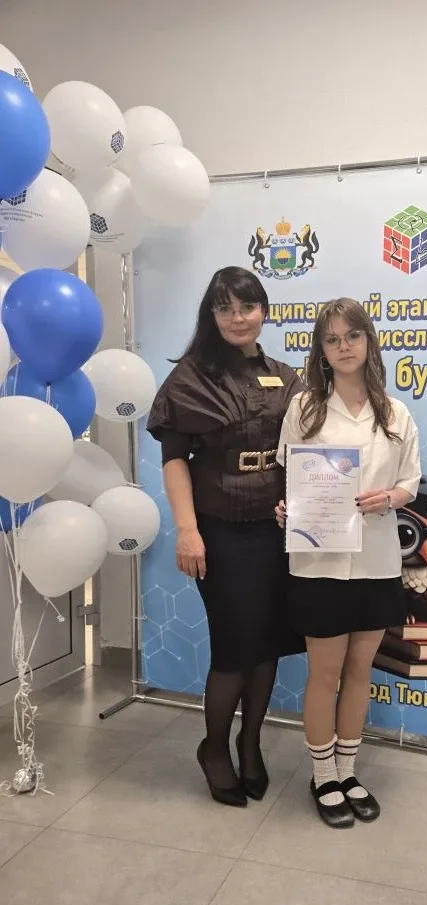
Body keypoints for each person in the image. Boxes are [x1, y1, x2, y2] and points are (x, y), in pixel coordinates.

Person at [147, 266, 303, 807]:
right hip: (219, 532)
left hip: (276, 531)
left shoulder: (286, 377)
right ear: (211, 315)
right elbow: (173, 459)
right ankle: (214, 747)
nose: (238, 318)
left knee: (268, 643)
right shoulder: (192, 376)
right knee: (235, 648)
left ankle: (249, 742)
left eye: (247, 306)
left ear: (264, 311)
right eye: (225, 308)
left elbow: (306, 452)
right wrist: (187, 531)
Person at [275, 297, 421, 829]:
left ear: (368, 342)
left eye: (352, 336)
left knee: (361, 671)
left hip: (377, 561)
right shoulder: (304, 408)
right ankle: (322, 776)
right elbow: (289, 475)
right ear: (321, 349)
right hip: (319, 561)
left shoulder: (396, 413)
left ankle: (348, 770)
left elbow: (410, 483)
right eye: (332, 339)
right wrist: (286, 507)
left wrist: (390, 498)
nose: (343, 347)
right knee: (325, 672)